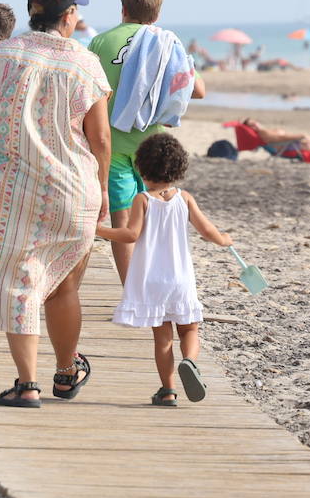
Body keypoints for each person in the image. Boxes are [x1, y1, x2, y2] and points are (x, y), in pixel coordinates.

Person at [0, 0, 111, 408]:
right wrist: (104, 189)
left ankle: (27, 384)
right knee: (62, 287)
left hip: (7, 190)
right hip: (71, 190)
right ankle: (66, 371)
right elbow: (101, 138)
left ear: (32, 11)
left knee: (21, 282)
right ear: (69, 16)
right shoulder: (85, 63)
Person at [95, 133, 231, 406]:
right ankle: (190, 362)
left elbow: (130, 235)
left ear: (141, 167)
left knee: (163, 339)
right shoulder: (185, 198)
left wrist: (98, 229)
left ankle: (167, 391)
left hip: (152, 280)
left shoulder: (143, 200)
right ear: (179, 168)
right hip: (180, 278)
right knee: (190, 330)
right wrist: (224, 240)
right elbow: (207, 230)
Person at [87, 0, 205, 284]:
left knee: (122, 219)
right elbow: (198, 89)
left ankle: (132, 291)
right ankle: (156, 280)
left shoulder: (100, 42)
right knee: (154, 218)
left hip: (110, 144)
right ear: (156, 14)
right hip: (151, 146)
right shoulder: (167, 43)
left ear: (123, 8)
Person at [241, 117, 310, 164]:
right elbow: (282, 138)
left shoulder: (263, 133)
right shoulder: (264, 133)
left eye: (255, 122)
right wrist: (300, 135)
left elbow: (279, 139)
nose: (256, 125)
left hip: (291, 146)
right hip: (295, 147)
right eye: (252, 125)